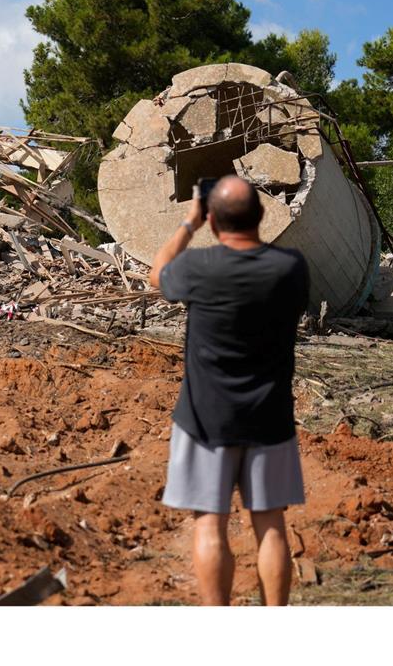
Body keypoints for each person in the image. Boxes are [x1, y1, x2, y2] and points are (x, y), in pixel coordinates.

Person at [147, 175, 309, 606]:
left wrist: (188, 223)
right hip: (270, 418)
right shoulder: (291, 268)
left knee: (209, 524)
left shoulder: (198, 268)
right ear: (259, 216)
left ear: (213, 221)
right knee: (271, 524)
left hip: (205, 418)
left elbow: (156, 274)